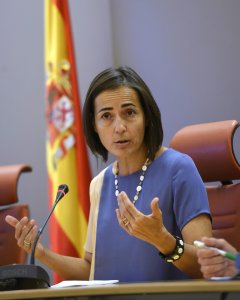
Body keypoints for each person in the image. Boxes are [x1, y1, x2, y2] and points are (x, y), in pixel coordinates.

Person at [5, 66, 212, 282]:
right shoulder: (100, 183)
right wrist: (41, 253)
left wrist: (163, 240)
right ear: (94, 125)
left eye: (129, 112)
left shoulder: (179, 169)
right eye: (106, 116)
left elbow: (207, 265)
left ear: (147, 117)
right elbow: (91, 270)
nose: (119, 127)